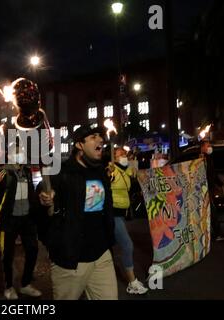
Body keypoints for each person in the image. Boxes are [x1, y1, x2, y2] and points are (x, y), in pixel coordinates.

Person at [39, 125, 118, 300]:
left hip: (101, 254)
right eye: (92, 137)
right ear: (79, 145)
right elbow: (43, 189)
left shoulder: (100, 170)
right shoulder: (63, 171)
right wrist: (45, 197)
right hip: (72, 259)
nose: (100, 140)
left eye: (100, 136)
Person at [0, 149, 42, 300]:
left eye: (21, 152)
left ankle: (25, 284)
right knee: (8, 255)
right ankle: (8, 287)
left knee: (33, 250)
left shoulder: (27, 171)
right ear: (9, 156)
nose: (20, 155)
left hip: (27, 219)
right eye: (16, 153)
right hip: (10, 219)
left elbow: (32, 192)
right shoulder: (4, 172)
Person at [109, 148, 148, 295]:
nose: (124, 156)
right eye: (120, 155)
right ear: (114, 157)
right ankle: (132, 282)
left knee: (108, 247)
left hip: (120, 214)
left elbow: (137, 174)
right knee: (127, 245)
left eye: (124, 154)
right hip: (111, 214)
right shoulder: (112, 170)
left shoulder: (126, 170)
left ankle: (105, 274)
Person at [200, 141, 224, 241]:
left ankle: (213, 233)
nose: (210, 147)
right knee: (212, 212)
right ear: (202, 147)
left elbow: (213, 173)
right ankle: (217, 234)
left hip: (209, 189)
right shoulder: (200, 160)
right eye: (207, 145)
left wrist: (220, 185)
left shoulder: (208, 158)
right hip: (205, 190)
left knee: (211, 212)